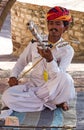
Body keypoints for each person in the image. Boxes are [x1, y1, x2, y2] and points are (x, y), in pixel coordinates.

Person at [0, 6, 75, 119]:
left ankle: (45, 102)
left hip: (52, 90)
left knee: (66, 78)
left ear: (65, 27)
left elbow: (58, 77)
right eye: (51, 23)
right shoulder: (35, 43)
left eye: (58, 24)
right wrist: (13, 76)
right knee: (7, 96)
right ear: (47, 25)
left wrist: (50, 60)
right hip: (34, 88)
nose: (53, 27)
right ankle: (51, 103)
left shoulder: (67, 50)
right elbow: (21, 62)